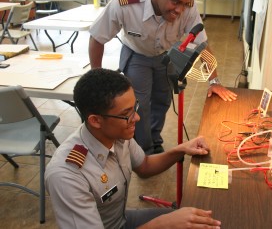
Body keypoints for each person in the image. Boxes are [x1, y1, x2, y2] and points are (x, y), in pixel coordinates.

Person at [45, 68, 221, 229]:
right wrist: (162, 224)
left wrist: (181, 149)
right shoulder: (67, 175)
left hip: (122, 221)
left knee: (200, 220)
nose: (136, 117)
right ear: (95, 120)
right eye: (125, 114)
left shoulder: (117, 135)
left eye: (134, 108)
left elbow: (144, 166)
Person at [89, 0, 237, 155]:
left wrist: (214, 81)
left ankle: (154, 138)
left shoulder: (187, 8)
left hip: (165, 56)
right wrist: (96, 78)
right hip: (136, 54)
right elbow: (97, 38)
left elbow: (203, 45)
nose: (179, 10)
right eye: (175, 2)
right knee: (140, 105)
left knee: (162, 100)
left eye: (184, 4)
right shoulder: (126, 4)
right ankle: (144, 151)